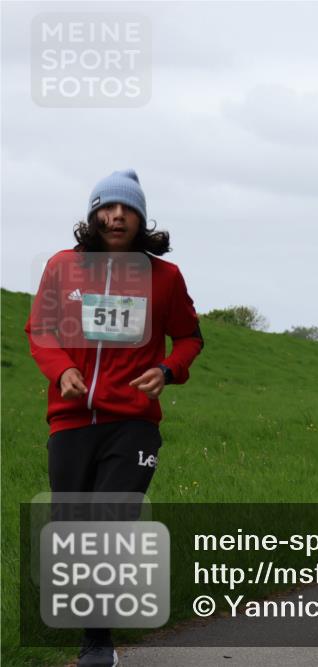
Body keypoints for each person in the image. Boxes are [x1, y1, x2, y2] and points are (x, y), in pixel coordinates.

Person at [26, 169, 204, 667]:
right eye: (108, 207)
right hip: (71, 421)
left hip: (133, 422)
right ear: (93, 216)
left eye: (128, 209)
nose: (117, 215)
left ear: (142, 218)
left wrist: (168, 369)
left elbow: (190, 337)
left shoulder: (164, 278)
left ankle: (97, 645)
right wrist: (61, 372)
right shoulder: (64, 268)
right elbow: (40, 330)